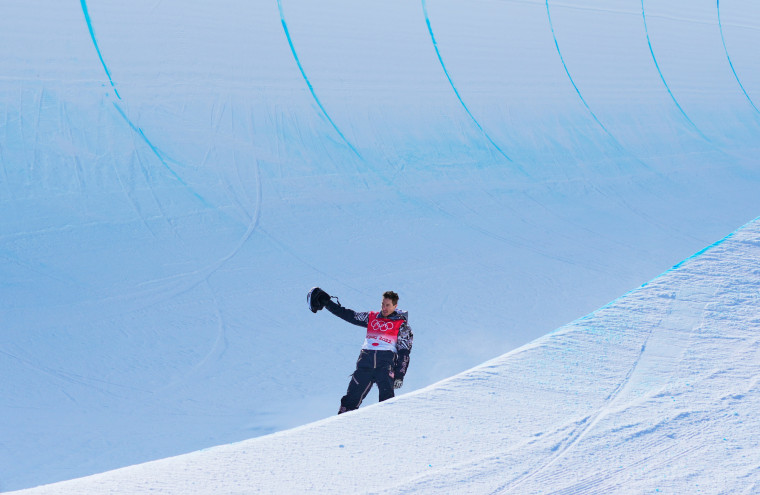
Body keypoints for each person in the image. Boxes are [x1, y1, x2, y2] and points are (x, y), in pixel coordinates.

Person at [308, 287, 413, 414]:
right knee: (350, 401)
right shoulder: (371, 317)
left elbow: (404, 352)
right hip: (365, 363)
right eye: (382, 304)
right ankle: (341, 427)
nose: (384, 308)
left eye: (388, 305)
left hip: (385, 366)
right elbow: (350, 315)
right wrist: (328, 303)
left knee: (387, 402)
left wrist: (400, 375)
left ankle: (387, 428)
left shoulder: (402, 326)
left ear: (395, 306)